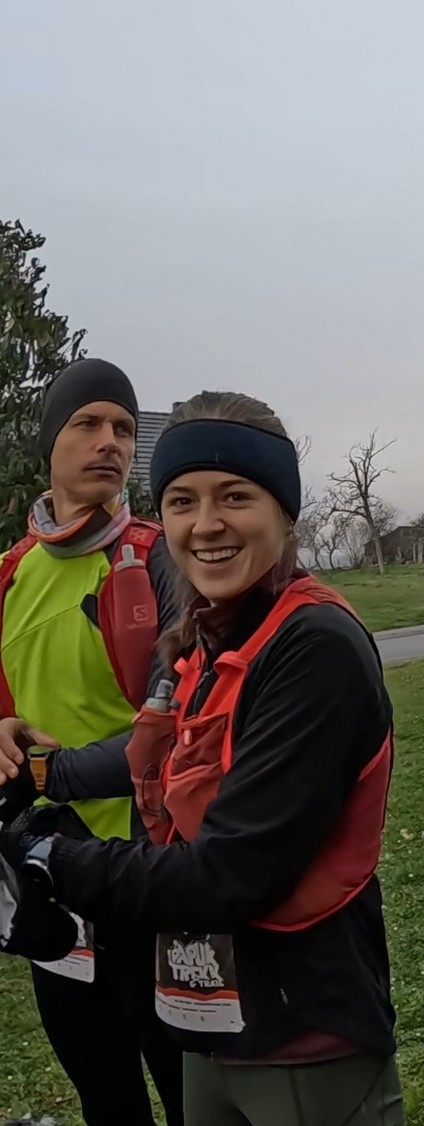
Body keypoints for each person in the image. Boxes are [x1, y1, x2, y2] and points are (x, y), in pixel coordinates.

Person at [0, 390, 404, 1125]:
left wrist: (52, 858)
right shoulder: (209, 641)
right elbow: (154, 777)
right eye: (182, 501)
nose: (206, 524)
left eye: (235, 496)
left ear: (284, 511)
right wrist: (36, 794)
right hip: (210, 1017)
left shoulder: (313, 646)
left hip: (302, 1033)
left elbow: (230, 872)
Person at [0, 357, 186, 1126]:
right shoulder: (11, 574)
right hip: (53, 883)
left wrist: (48, 773)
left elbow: (178, 726)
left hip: (151, 871)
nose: (110, 441)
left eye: (124, 428)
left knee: (191, 1096)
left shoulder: (157, 555)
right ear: (51, 442)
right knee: (104, 1097)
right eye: (88, 423)